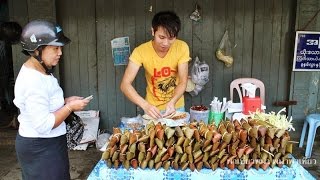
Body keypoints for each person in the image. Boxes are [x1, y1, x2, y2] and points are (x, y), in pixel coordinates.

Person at [13, 20, 90, 180]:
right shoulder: (33, 80)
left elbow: (43, 102)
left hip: (49, 144)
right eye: (55, 48)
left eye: (60, 48)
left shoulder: (41, 70)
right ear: (37, 50)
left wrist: (64, 101)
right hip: (41, 147)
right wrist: (69, 107)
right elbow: (43, 124)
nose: (60, 53)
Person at [120, 11, 190, 119]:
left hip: (176, 107)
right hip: (151, 109)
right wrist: (145, 105)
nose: (166, 43)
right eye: (161, 37)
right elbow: (125, 84)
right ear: (153, 31)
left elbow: (183, 81)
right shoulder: (140, 51)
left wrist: (172, 102)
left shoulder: (182, 47)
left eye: (171, 38)